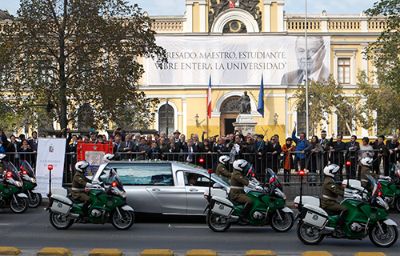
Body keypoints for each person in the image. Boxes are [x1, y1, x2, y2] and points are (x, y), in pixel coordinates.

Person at [320, 164, 347, 235]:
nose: (337, 174)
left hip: (331, 201)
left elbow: (338, 187)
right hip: (328, 203)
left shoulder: (330, 180)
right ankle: (339, 227)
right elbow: (336, 190)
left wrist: (347, 189)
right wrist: (347, 194)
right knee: (345, 209)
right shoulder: (328, 181)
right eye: (335, 173)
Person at [229, 159, 253, 223]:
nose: (245, 168)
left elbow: (246, 180)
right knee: (249, 201)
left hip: (239, 193)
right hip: (236, 194)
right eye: (244, 167)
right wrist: (254, 186)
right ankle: (242, 216)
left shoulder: (239, 173)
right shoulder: (237, 174)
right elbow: (245, 182)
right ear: (239, 167)